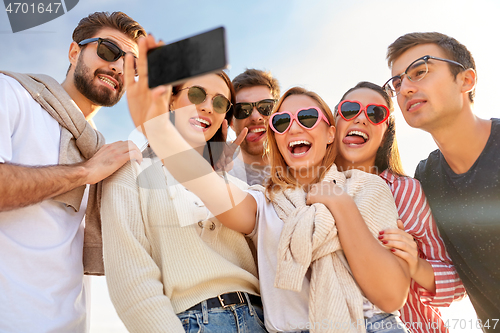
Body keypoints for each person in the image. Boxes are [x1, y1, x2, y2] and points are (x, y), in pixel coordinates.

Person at [126, 36, 411, 332]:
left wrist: (340, 203)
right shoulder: (264, 203)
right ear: (275, 137)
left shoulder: (366, 187)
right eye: (282, 122)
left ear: (330, 134)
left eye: (308, 117)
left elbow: (390, 296)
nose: (295, 127)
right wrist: (159, 128)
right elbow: (205, 185)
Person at [0, 11, 144, 332]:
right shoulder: (11, 94)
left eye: (132, 64)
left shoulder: (104, 153)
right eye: (108, 50)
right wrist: (84, 173)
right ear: (74, 52)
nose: (119, 66)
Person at [101, 67, 267, 332]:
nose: (208, 107)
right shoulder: (129, 171)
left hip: (260, 320)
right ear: (171, 99)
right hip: (194, 322)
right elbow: (131, 281)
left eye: (220, 102)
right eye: (197, 94)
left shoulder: (238, 185)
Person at [383, 32, 500, 331]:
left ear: (466, 80)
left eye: (420, 71)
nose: (405, 88)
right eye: (397, 83)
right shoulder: (426, 178)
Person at [334, 81, 466, 333]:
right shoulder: (314, 190)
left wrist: (416, 265)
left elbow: (458, 281)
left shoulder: (406, 191)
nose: (361, 118)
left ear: (386, 132)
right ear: (334, 122)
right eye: (350, 109)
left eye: (375, 114)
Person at [228, 69, 280, 185]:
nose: (256, 117)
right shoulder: (217, 171)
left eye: (266, 107)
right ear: (231, 122)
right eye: (242, 110)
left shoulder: (302, 165)